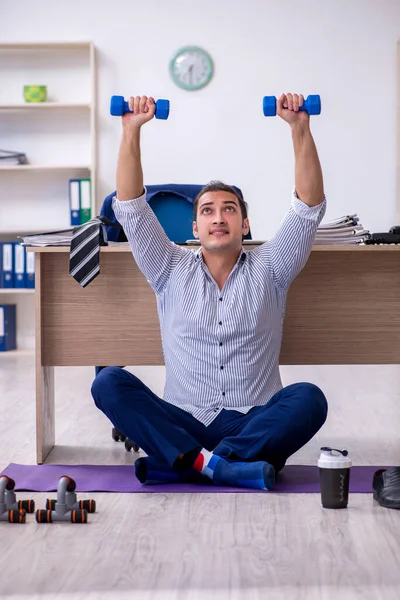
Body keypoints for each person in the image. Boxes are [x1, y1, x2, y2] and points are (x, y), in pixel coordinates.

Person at [91, 93, 328, 491]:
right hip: (185, 418)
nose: (219, 217)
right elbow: (130, 206)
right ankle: (226, 466)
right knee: (108, 382)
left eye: (229, 209)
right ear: (195, 229)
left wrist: (300, 128)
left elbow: (308, 206)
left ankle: (189, 463)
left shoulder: (272, 266)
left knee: (309, 398)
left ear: (245, 224)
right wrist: (131, 130)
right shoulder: (167, 266)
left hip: (252, 420)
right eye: (207, 210)